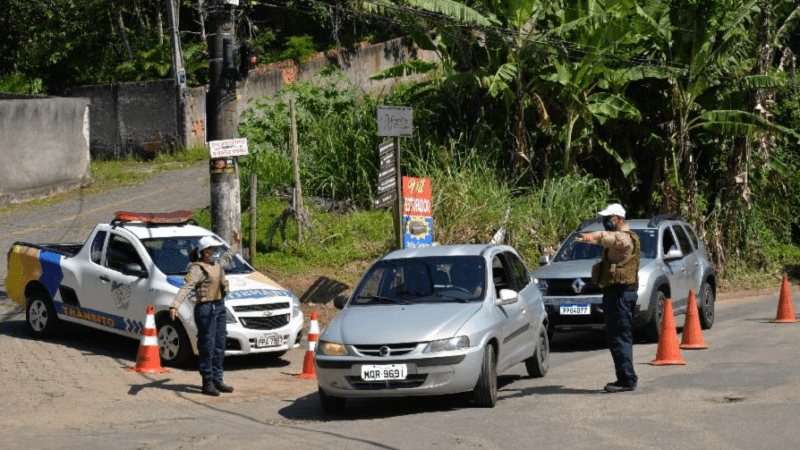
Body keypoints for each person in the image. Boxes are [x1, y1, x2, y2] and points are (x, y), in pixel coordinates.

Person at [170, 229, 241, 396]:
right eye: (213, 249)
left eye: (216, 249)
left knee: (220, 344)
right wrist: (175, 305)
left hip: (219, 307)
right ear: (205, 252)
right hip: (205, 309)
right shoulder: (197, 269)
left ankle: (218, 379)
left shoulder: (217, 265)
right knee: (207, 345)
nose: (216, 252)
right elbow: (185, 287)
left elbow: (228, 256)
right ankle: (207, 382)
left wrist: (236, 242)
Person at [578, 203, 640, 393]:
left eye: (609, 218)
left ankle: (627, 379)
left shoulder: (623, 238)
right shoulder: (623, 237)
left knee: (619, 337)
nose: (606, 222)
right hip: (616, 293)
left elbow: (608, 238)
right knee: (618, 337)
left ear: (619, 219)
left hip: (618, 293)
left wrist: (591, 237)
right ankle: (626, 376)